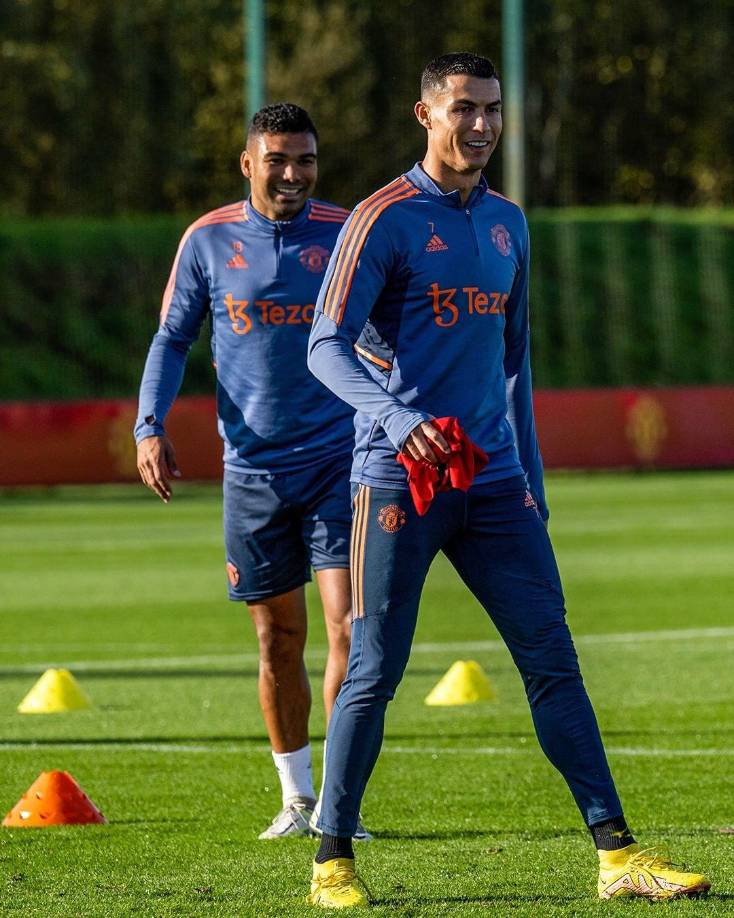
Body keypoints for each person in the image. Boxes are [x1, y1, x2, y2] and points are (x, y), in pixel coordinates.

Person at [304, 53, 710, 906]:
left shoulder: (508, 224)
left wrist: (532, 481)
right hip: (397, 479)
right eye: (464, 108)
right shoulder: (382, 219)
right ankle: (331, 859)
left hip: (494, 484)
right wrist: (399, 420)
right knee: (374, 669)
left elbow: (514, 363)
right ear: (425, 115)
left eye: (492, 109)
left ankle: (617, 855)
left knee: (553, 659)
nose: (482, 124)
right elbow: (324, 347)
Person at [134, 103, 371, 841]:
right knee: (277, 639)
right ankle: (296, 799)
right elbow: (172, 338)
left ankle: (339, 807)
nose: (293, 173)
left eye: (306, 160)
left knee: (349, 627)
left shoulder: (347, 233)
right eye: (278, 160)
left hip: (341, 461)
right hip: (253, 473)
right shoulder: (207, 239)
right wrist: (149, 425)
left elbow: (387, 330)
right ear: (248, 163)